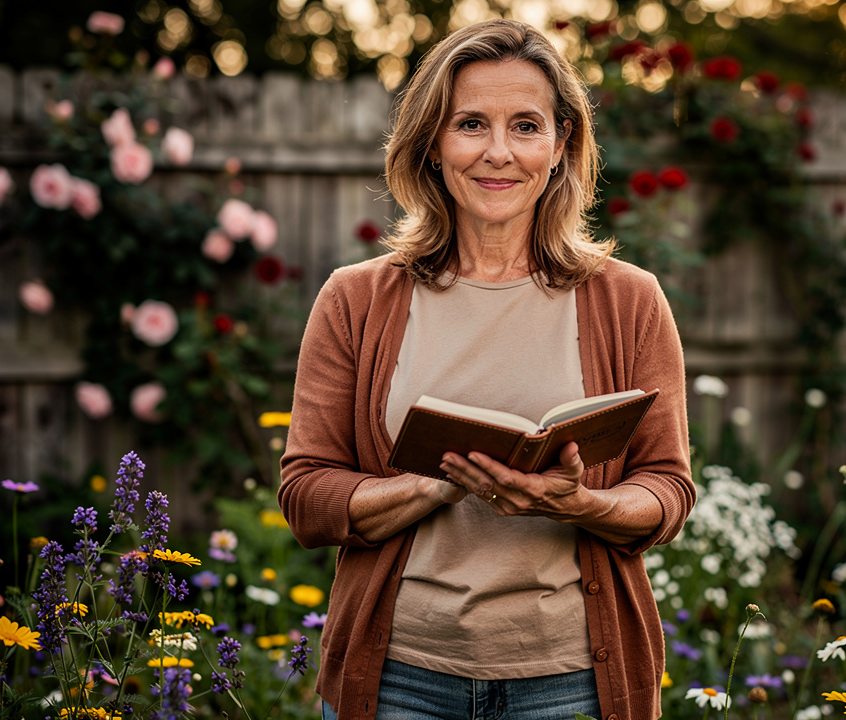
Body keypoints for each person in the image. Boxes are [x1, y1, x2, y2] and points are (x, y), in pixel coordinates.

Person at [279, 18, 693, 720]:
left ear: (561, 144)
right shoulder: (355, 299)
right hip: (397, 684)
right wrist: (433, 482)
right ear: (433, 146)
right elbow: (306, 496)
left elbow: (667, 490)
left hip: (574, 688)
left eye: (526, 126)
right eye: (470, 124)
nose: (498, 153)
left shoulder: (628, 299)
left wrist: (578, 504)